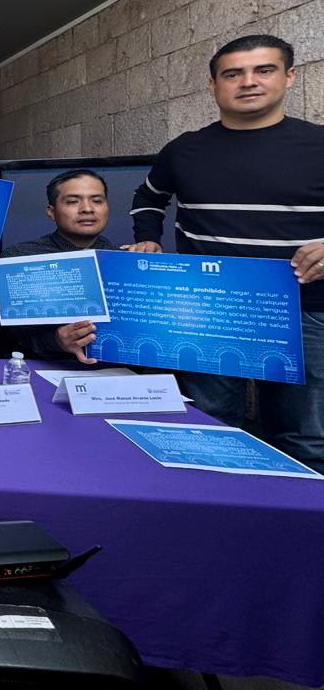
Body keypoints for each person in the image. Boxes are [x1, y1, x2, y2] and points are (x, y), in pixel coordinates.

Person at [127, 34, 324, 472]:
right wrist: (148, 238)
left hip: (307, 310)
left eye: (263, 70)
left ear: (290, 77)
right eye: (233, 74)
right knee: (209, 429)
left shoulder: (319, 144)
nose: (248, 82)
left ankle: (301, 514)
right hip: (209, 309)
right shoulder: (184, 150)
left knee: (307, 438)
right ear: (213, 85)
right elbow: (148, 197)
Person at [0, 169, 116, 363]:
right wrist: (55, 341)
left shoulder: (123, 260)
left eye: (97, 200)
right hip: (39, 368)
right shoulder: (20, 257)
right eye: (73, 201)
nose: (87, 209)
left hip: (116, 371)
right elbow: (7, 333)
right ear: (51, 212)